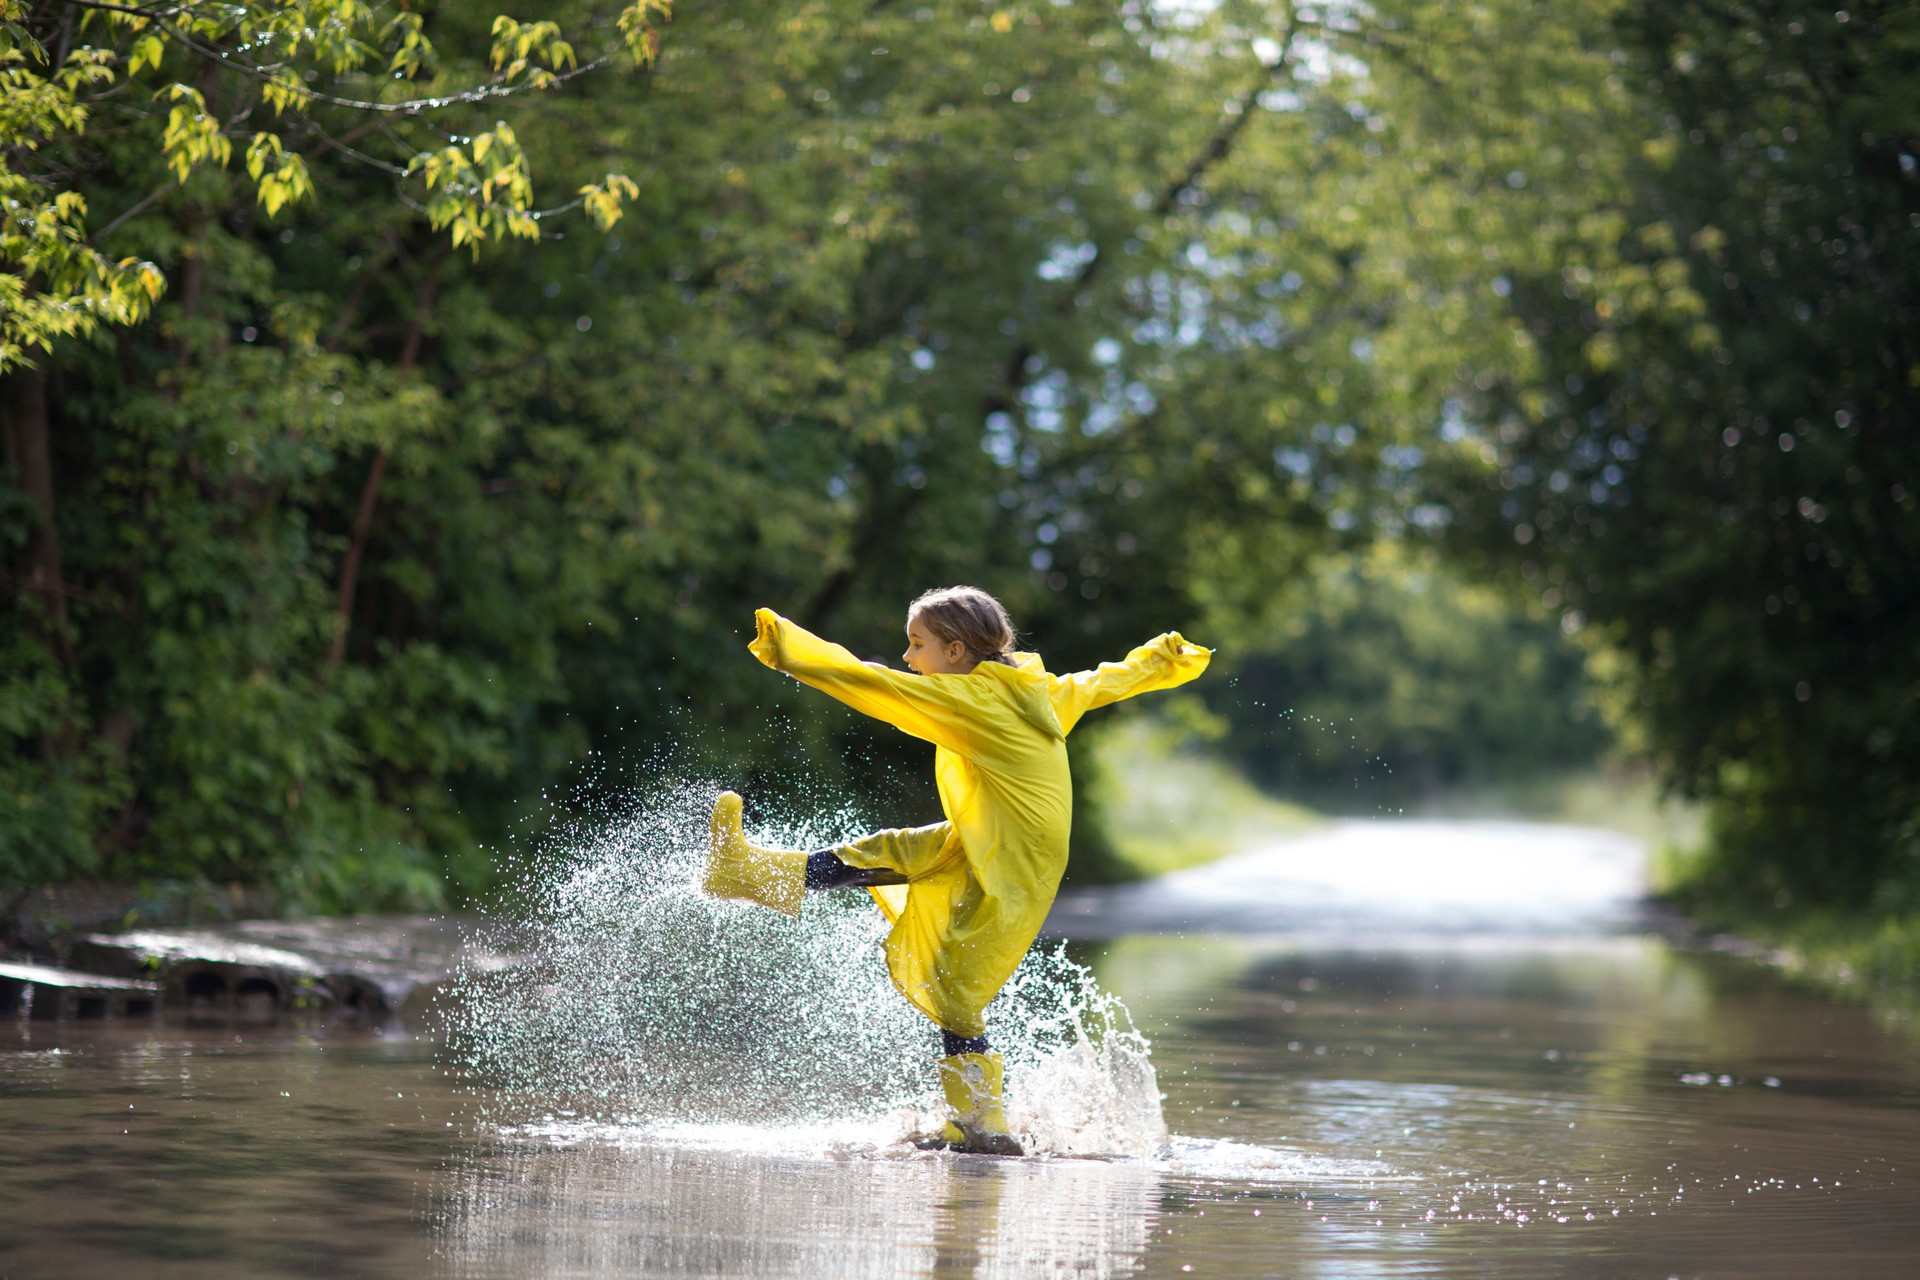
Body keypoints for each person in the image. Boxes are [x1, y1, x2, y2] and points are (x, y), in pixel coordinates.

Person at [703, 586, 1210, 1154]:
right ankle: (750, 873)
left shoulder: (971, 698)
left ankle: (982, 1127)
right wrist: (1159, 660)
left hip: (1016, 859)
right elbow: (1101, 682)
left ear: (955, 650)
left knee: (957, 990)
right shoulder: (1033, 689)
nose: (908, 658)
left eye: (916, 644)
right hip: (1001, 840)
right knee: (895, 851)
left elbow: (871, 683)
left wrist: (789, 649)